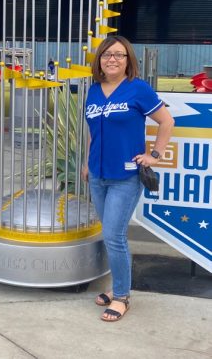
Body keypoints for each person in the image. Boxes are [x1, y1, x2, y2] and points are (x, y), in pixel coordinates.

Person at [82, 35, 174, 322]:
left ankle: (121, 297)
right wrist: (87, 163)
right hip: (97, 176)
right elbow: (92, 131)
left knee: (114, 236)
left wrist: (154, 155)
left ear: (128, 60)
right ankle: (116, 287)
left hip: (125, 177)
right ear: (99, 60)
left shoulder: (138, 89)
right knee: (113, 237)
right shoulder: (94, 91)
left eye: (119, 55)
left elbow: (166, 121)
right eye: (107, 54)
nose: (112, 59)